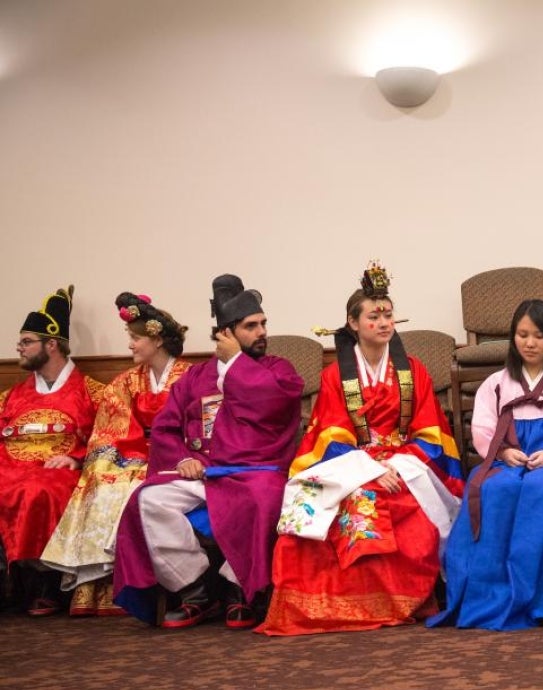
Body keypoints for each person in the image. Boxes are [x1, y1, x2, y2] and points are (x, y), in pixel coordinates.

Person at [259, 264, 463, 636]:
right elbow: (329, 437)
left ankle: (398, 600)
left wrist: (399, 466)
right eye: (374, 316)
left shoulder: (413, 371)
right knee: (316, 516)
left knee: (406, 510)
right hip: (350, 465)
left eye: (388, 315)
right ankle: (327, 606)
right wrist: (367, 471)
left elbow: (431, 433)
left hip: (405, 464)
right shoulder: (335, 375)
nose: (384, 322)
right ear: (353, 323)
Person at [112, 274, 303, 628]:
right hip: (201, 472)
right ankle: (195, 587)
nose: (262, 332)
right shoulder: (195, 378)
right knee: (147, 501)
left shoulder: (278, 370)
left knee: (263, 499)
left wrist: (234, 366)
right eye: (251, 326)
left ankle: (239, 589)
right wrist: (183, 458)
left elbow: (273, 403)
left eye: (263, 323)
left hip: (253, 472)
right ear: (226, 333)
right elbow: (167, 427)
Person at [430, 299, 543, 630]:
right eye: (522, 335)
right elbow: (484, 431)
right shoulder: (497, 384)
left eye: (539, 336)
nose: (529, 343)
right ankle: (492, 594)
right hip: (510, 460)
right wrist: (502, 452)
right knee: (496, 487)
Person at [40, 292, 190, 616]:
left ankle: (134, 583)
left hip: (177, 454)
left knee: (132, 483)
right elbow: (111, 429)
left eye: (135, 338)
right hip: (136, 452)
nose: (131, 345)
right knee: (101, 477)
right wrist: (113, 459)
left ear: (157, 339)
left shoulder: (191, 378)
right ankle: (96, 583)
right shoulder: (125, 381)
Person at [0, 286, 103, 614]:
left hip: (57, 470)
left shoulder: (91, 392)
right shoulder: (11, 397)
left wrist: (76, 457)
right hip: (9, 467)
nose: (20, 347)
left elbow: (110, 435)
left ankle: (46, 581)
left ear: (52, 344)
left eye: (27, 341)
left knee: (39, 489)